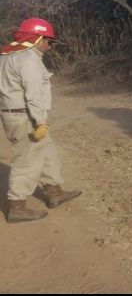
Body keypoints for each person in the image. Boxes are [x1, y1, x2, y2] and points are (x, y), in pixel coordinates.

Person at [0, 18, 81, 223]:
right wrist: (40, 121)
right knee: (26, 161)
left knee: (46, 152)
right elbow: (33, 95)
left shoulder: (7, 56)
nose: (50, 46)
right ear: (38, 39)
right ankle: (16, 206)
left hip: (14, 113)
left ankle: (55, 192)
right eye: (49, 41)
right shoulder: (29, 59)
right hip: (26, 116)